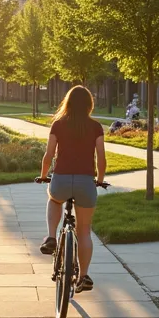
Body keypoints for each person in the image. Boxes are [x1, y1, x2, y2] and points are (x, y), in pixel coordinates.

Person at [38, 85, 107, 293]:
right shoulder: (96, 127)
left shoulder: (58, 124)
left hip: (61, 180)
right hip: (86, 183)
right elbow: (101, 159)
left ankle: (51, 237)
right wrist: (99, 180)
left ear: (67, 103)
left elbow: (49, 155)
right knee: (84, 230)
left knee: (54, 199)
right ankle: (83, 276)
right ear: (89, 104)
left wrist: (43, 176)